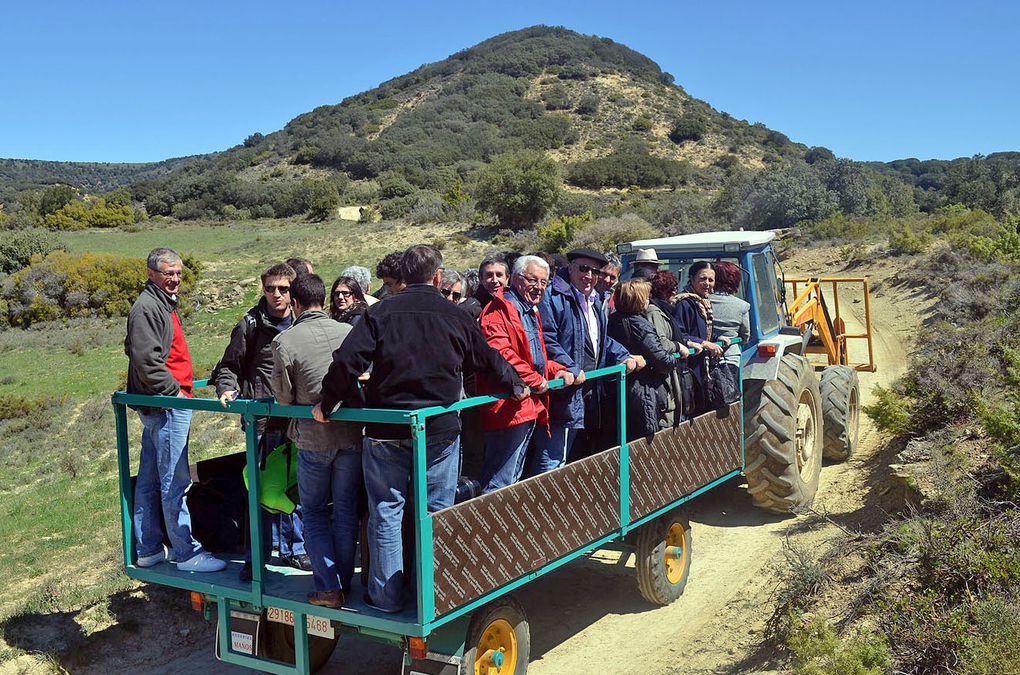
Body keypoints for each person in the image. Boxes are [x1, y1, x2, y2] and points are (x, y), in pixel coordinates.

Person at [313, 245, 528, 613]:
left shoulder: (379, 312)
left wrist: (327, 401)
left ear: (403, 277)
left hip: (387, 429)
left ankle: (385, 597)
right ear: (437, 277)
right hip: (439, 428)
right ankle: (434, 595)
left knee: (386, 511)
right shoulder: (455, 315)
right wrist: (515, 385)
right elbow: (487, 357)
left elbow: (347, 361)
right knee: (436, 511)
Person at [125, 247, 225, 573]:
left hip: (164, 404)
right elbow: (145, 361)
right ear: (152, 273)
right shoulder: (146, 308)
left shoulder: (160, 304)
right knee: (174, 481)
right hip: (167, 406)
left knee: (152, 479)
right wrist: (175, 393)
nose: (175, 279)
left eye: (178, 273)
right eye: (168, 273)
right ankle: (185, 553)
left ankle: (150, 549)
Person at [211, 262, 309, 578]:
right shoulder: (250, 325)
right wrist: (227, 389)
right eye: (270, 288)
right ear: (263, 288)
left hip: (296, 422)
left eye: (283, 289)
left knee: (295, 488)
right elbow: (228, 366)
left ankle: (297, 550)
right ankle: (257, 560)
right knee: (259, 494)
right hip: (262, 425)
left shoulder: (303, 322)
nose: (276, 295)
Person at [271, 274, 363, 609]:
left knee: (312, 511)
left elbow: (283, 398)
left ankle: (328, 587)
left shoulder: (286, 341)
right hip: (352, 436)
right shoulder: (348, 332)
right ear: (323, 301)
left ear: (294, 303)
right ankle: (344, 582)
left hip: (313, 439)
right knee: (345, 509)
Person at [536, 248, 642, 474]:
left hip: (587, 390)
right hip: (561, 393)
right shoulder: (552, 298)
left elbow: (600, 340)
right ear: (570, 267)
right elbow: (547, 339)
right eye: (584, 268)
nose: (589, 276)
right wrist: (571, 368)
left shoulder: (594, 300)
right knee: (552, 461)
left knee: (570, 456)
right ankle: (546, 506)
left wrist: (624, 355)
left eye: (595, 271)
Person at [477, 255, 574, 493]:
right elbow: (503, 354)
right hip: (508, 408)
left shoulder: (530, 310)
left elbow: (535, 356)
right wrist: (535, 380)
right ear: (517, 279)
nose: (539, 287)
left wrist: (556, 370)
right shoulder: (499, 309)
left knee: (512, 477)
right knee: (500, 480)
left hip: (526, 406)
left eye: (544, 282)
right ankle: (494, 528)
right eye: (533, 280)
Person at [608, 280, 682, 440]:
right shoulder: (640, 324)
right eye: (646, 297)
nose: (648, 300)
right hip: (643, 389)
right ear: (638, 299)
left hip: (619, 389)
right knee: (646, 437)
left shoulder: (612, 320)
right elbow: (662, 359)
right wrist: (676, 358)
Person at [674, 262, 725, 415]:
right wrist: (705, 344)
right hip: (689, 368)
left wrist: (717, 338)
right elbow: (680, 334)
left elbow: (703, 332)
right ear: (692, 279)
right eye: (703, 279)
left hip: (703, 367)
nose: (707, 284)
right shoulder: (684, 303)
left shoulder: (704, 303)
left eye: (711, 280)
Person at [646, 270, 692, 425]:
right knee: (667, 415)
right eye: (670, 288)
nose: (674, 291)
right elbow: (660, 342)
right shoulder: (654, 312)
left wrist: (688, 343)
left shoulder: (665, 310)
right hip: (663, 376)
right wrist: (678, 346)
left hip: (673, 372)